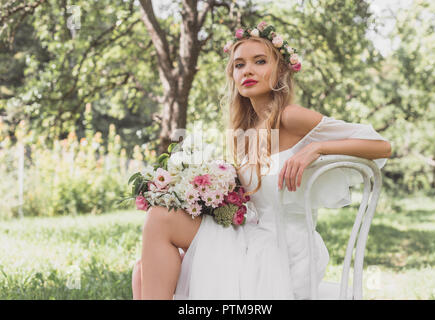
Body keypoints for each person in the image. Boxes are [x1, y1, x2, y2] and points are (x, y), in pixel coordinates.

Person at [131, 22, 392, 300]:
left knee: (159, 219)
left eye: (260, 61)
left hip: (278, 251)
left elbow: (381, 146)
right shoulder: (246, 132)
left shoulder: (289, 117)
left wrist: (317, 147)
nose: (248, 71)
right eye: (239, 65)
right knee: (143, 269)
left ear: (279, 71)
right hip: (247, 236)